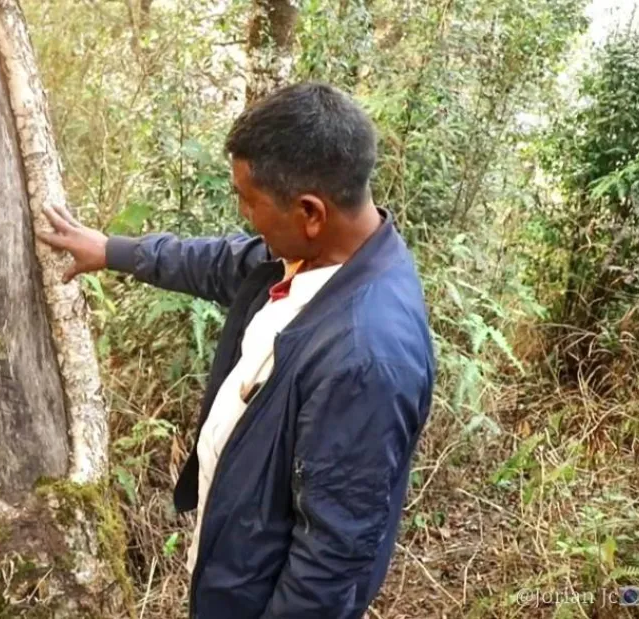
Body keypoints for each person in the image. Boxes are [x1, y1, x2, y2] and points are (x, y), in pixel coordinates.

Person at [38, 82, 435, 618]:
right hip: (234, 574)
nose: (246, 216)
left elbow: (330, 561)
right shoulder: (313, 257)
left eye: (249, 201)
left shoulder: (365, 357)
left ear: (310, 212)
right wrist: (112, 251)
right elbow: (223, 262)